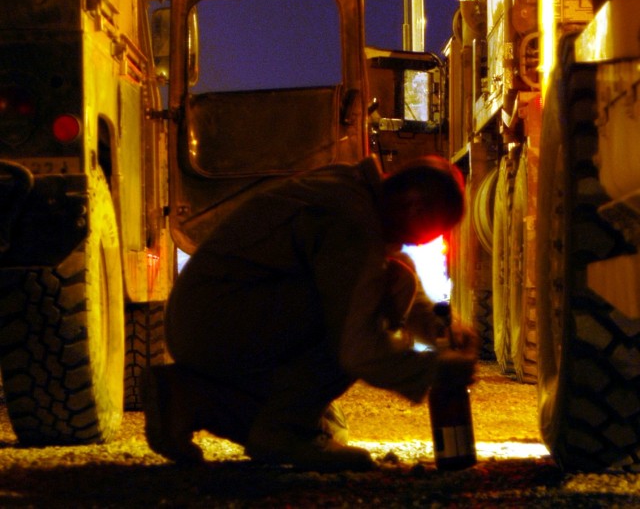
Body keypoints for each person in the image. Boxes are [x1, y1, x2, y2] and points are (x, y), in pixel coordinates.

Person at [142, 155, 477, 471]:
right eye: (419, 236)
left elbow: (385, 266)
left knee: (331, 429)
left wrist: (435, 328)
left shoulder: (354, 192)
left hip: (213, 317)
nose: (414, 245)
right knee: (364, 305)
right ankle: (282, 429)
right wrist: (433, 371)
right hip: (213, 323)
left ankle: (186, 398)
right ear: (414, 204)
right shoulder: (351, 221)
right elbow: (357, 346)